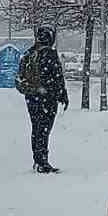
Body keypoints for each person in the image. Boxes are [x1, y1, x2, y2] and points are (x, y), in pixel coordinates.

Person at [15, 25, 69, 173]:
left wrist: (31, 90)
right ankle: (42, 161)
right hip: (48, 98)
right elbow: (58, 77)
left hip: (32, 97)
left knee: (37, 128)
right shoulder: (50, 54)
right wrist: (62, 94)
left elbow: (19, 77)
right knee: (44, 129)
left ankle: (38, 160)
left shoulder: (29, 53)